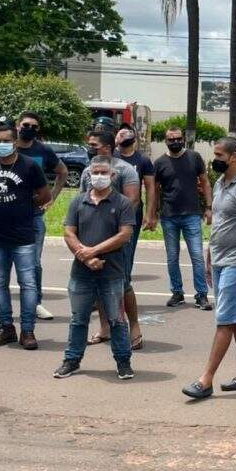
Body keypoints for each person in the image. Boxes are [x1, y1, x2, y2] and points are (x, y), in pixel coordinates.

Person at [183, 138, 236, 399]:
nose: (214, 158)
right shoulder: (220, 183)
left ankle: (206, 380)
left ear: (234, 157)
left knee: (225, 319)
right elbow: (219, 223)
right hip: (219, 259)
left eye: (219, 154)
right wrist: (209, 255)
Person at [0, 118, 51, 350]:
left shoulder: (29, 166)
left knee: (28, 284)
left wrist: (25, 204)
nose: (2, 144)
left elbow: (45, 196)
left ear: (15, 141)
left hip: (24, 235)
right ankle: (6, 328)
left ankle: (27, 330)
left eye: (6, 141)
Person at [54, 156, 135, 380]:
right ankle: (72, 361)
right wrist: (86, 257)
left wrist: (93, 250)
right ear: (88, 174)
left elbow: (124, 235)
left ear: (112, 175)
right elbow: (69, 232)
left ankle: (123, 362)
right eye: (95, 172)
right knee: (78, 320)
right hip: (81, 272)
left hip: (112, 273)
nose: (99, 177)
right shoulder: (78, 202)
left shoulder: (122, 203)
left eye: (103, 172)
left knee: (117, 320)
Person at [0, 112, 68, 322]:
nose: (29, 128)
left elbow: (62, 172)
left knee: (33, 264)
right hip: (0, 218)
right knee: (1, 266)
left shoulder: (43, 150)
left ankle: (35, 303)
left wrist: (51, 199)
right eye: (26, 124)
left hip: (32, 217)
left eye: (34, 126)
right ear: (18, 126)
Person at [78, 129, 141, 345]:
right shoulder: (88, 171)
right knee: (97, 283)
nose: (90, 148)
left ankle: (134, 328)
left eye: (94, 145)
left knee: (123, 284)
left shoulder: (125, 170)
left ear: (107, 147)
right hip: (92, 238)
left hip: (117, 238)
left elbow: (133, 201)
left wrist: (115, 227)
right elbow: (81, 202)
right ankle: (104, 327)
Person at [146, 127, 213, 310]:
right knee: (172, 257)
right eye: (171, 139)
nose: (175, 142)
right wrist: (151, 215)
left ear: (183, 139)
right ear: (165, 141)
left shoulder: (194, 157)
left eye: (178, 138)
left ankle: (201, 295)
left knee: (197, 257)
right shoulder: (159, 163)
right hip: (169, 217)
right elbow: (153, 190)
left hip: (192, 214)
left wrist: (209, 207)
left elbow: (205, 182)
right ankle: (177, 292)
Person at [111, 125, 155, 350]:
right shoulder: (110, 159)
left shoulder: (141, 161)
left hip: (129, 221)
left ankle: (130, 325)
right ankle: (106, 325)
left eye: (125, 133)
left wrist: (150, 215)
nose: (121, 136)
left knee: (123, 270)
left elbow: (149, 188)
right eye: (118, 133)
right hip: (104, 224)